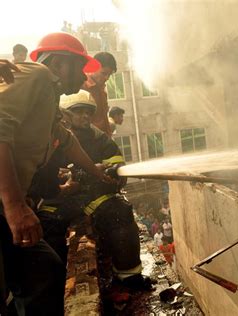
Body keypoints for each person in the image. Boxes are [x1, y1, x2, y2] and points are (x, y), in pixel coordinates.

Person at [0, 32, 107, 316]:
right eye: (80, 67)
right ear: (60, 63)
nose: (84, 76)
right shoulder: (37, 76)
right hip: (4, 206)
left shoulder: (49, 99)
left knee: (43, 272)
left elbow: (66, 140)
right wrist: (14, 207)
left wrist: (96, 170)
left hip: (8, 207)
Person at [40, 90, 153, 290]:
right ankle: (55, 287)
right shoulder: (50, 134)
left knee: (120, 212)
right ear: (64, 114)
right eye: (78, 111)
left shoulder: (99, 137)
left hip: (93, 194)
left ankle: (128, 276)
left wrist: (114, 173)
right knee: (46, 227)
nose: (85, 116)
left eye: (88, 112)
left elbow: (117, 162)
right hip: (58, 199)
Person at [82, 52, 117, 136]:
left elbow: (103, 119)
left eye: (109, 74)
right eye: (104, 73)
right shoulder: (82, 88)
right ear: (93, 68)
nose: (107, 78)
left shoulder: (102, 91)